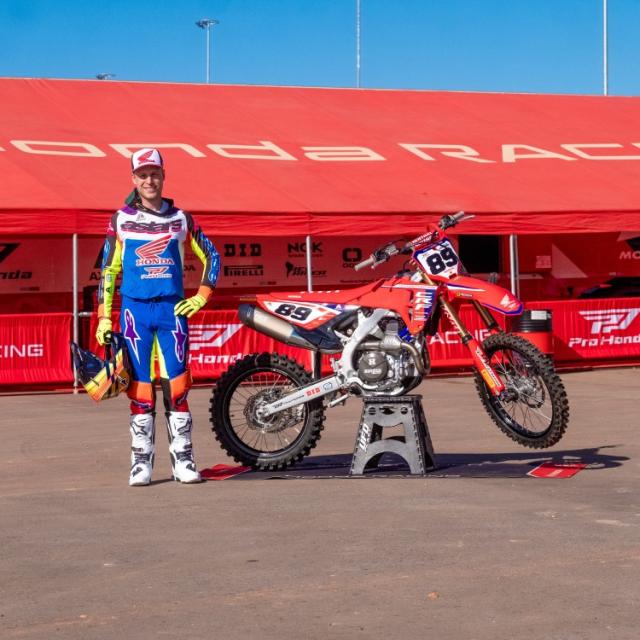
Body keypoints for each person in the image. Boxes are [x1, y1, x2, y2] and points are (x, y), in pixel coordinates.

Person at [96, 148, 220, 486]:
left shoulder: (182, 219)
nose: (149, 180)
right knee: (139, 388)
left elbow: (212, 255)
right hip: (134, 312)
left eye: (154, 174)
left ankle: (184, 460)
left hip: (171, 311)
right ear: (133, 179)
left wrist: (202, 295)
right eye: (143, 175)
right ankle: (140, 462)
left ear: (164, 176)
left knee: (177, 387)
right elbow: (108, 271)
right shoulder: (120, 219)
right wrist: (104, 317)